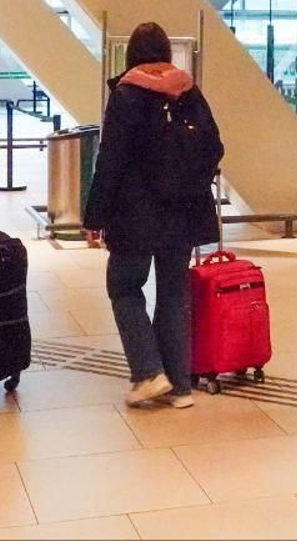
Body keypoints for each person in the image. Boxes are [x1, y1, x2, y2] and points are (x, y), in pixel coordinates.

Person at [84, 23, 222, 410]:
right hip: (183, 211)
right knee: (174, 294)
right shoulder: (188, 91)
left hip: (135, 213)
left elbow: (110, 162)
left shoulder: (127, 95)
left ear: (131, 55)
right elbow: (215, 145)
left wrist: (95, 215)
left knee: (124, 287)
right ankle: (179, 386)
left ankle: (148, 373)